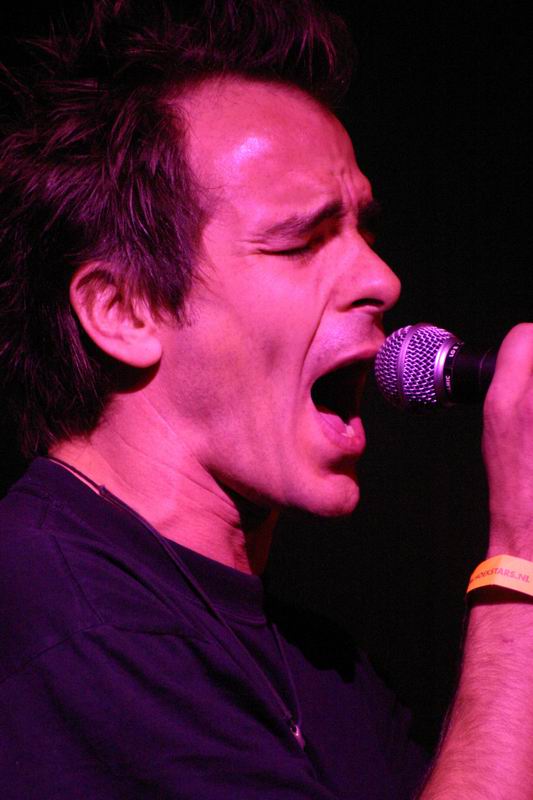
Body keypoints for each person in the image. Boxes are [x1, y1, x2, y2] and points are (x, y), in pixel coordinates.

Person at [0, 1, 531, 798]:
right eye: (301, 239)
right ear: (124, 310)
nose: (381, 279)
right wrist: (519, 556)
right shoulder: (55, 608)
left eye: (364, 233)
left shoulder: (324, 665)